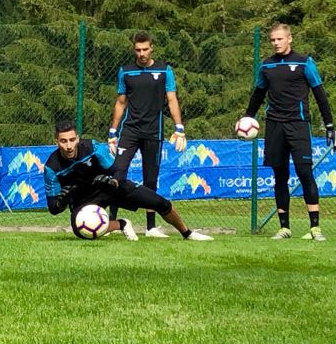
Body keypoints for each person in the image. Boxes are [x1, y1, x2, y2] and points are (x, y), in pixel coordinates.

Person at [243, 23, 336, 241]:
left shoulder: (305, 62)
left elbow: (320, 94)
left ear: (289, 39)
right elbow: (258, 94)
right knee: (280, 176)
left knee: (305, 173)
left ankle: (315, 228)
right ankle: (284, 228)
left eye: (279, 39)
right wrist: (248, 116)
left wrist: (330, 126)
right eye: (272, 40)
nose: (276, 43)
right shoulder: (266, 66)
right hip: (274, 125)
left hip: (298, 124)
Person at [44, 119, 212, 241]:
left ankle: (187, 233)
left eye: (72, 140)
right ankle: (122, 224)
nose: (69, 146)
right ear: (56, 142)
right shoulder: (52, 167)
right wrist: (62, 202)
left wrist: (113, 182)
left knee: (161, 204)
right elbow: (53, 208)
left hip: (110, 188)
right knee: (78, 228)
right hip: (85, 201)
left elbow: (117, 169)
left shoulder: (92, 148)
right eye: (63, 141)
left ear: (78, 139)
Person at [107, 32, 187, 238]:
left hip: (154, 131)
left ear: (152, 48)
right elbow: (121, 102)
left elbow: (172, 100)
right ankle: (111, 224)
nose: (141, 53)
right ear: (134, 50)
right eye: (138, 50)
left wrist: (179, 129)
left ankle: (151, 228)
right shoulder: (126, 72)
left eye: (145, 49)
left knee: (150, 180)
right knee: (118, 174)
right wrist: (112, 132)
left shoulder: (164, 70)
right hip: (130, 131)